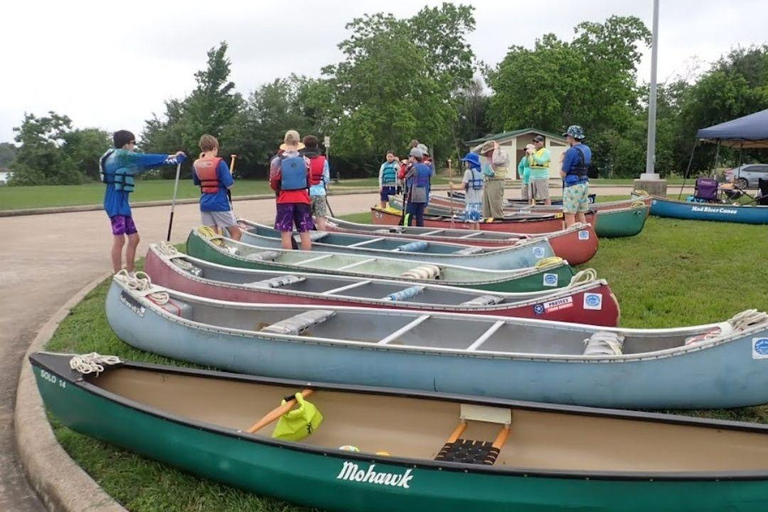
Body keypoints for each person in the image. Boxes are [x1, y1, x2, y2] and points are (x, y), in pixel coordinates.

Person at [100, 130, 184, 274]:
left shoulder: (124, 158)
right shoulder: (120, 155)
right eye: (133, 143)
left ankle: (130, 272)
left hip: (122, 203)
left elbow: (145, 164)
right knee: (120, 240)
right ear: (126, 144)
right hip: (114, 202)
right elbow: (144, 158)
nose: (134, 146)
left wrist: (172, 161)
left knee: (134, 238)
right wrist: (170, 156)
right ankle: (118, 274)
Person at [192, 134, 241, 241]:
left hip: (204, 203)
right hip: (220, 202)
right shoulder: (220, 163)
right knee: (236, 233)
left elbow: (198, 183)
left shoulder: (196, 164)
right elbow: (230, 185)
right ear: (214, 148)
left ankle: (216, 250)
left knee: (213, 236)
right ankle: (232, 251)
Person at [269, 130, 313, 250]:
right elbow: (310, 180)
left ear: (285, 141)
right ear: (298, 142)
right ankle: (307, 257)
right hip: (302, 198)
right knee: (304, 232)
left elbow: (273, 183)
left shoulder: (276, 161)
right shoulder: (305, 160)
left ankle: (289, 257)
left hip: (284, 198)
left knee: (286, 233)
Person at [560, 125, 592, 228]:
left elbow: (563, 173)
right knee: (581, 213)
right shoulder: (587, 149)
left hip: (573, 185)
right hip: (584, 184)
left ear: (572, 137)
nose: (566, 138)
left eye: (567, 136)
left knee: (569, 214)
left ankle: (571, 234)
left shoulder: (571, 151)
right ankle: (585, 234)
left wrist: (562, 160)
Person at [301, 135, 330, 230]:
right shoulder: (323, 160)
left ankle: (307, 237)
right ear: (317, 145)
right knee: (321, 219)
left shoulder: (302, 160)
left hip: (306, 192)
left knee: (305, 218)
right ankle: (321, 237)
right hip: (320, 192)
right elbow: (326, 178)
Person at [450, 152, 484, 230]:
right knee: (476, 222)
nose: (466, 163)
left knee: (471, 222)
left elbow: (462, 186)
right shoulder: (480, 172)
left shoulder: (468, 172)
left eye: (467, 162)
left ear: (471, 163)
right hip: (479, 201)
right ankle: (478, 235)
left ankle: (471, 235)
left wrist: (452, 186)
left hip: (471, 201)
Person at [478, 140, 509, 220]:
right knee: (486, 205)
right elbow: (475, 151)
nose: (486, 154)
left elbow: (496, 161)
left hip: (497, 181)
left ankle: (497, 220)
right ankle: (487, 219)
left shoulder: (502, 154)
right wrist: (483, 145)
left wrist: (496, 149)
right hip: (488, 181)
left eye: (487, 152)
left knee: (495, 204)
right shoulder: (489, 157)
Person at [404, 147, 433, 226]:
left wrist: (406, 165)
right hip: (423, 195)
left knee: (408, 215)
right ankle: (420, 230)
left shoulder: (414, 167)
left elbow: (405, 176)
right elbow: (430, 175)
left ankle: (407, 229)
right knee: (419, 216)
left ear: (414, 157)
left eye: (410, 156)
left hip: (413, 195)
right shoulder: (427, 168)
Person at [529, 135, 551, 205]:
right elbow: (528, 163)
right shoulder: (533, 151)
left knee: (545, 196)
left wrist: (533, 154)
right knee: (531, 197)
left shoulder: (546, 152)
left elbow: (541, 161)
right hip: (532, 177)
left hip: (542, 177)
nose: (535, 143)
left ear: (542, 143)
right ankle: (531, 209)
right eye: (534, 142)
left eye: (537, 142)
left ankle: (548, 209)